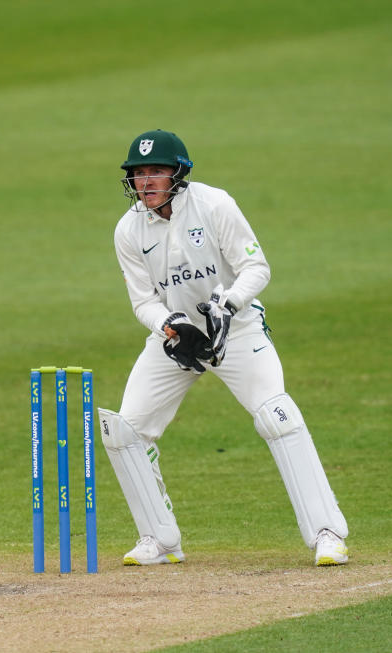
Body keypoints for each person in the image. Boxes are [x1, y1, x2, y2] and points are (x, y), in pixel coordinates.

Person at [97, 129, 349, 568]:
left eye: (156, 171)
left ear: (179, 173)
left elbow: (256, 267)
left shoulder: (214, 205)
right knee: (126, 430)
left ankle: (328, 533)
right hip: (176, 339)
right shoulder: (128, 229)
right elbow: (143, 302)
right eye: (138, 174)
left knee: (277, 416)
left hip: (237, 330)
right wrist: (169, 325)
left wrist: (225, 304)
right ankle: (159, 538)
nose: (146, 182)